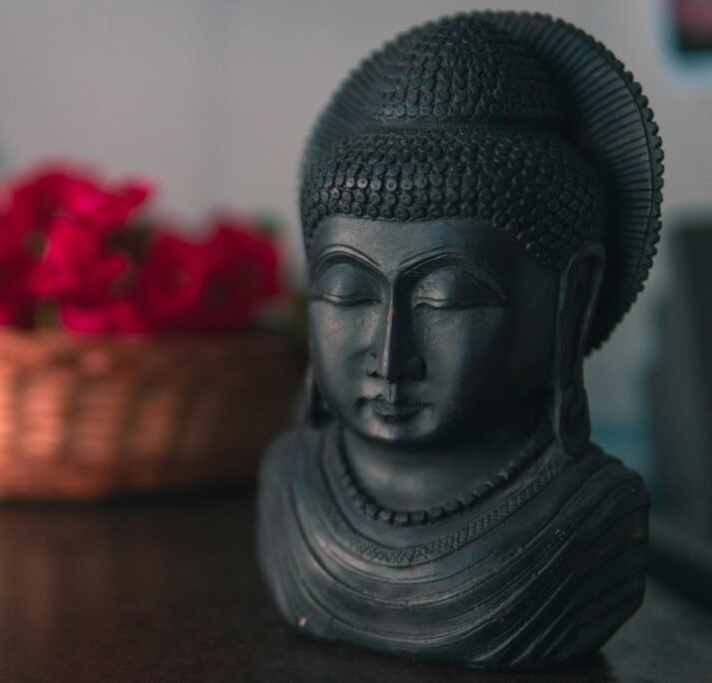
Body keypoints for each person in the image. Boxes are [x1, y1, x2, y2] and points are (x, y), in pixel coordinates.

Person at [256, 12, 663, 670]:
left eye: (446, 301)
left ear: (573, 297)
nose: (392, 356)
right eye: (349, 295)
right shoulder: (287, 479)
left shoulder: (591, 517)